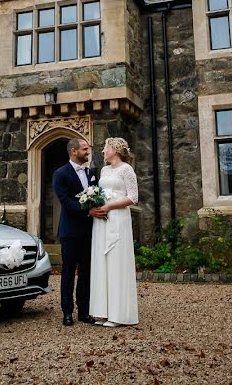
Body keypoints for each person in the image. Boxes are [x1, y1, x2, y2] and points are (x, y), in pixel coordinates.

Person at [52, 138, 107, 327]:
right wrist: (88, 211)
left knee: (86, 273)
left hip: (90, 230)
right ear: (73, 151)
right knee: (68, 273)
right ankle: (67, 312)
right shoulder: (60, 174)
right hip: (70, 231)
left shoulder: (91, 172)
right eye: (85, 149)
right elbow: (66, 202)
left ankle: (84, 311)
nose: (88, 152)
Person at [89, 137, 139, 327]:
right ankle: (103, 311)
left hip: (118, 218)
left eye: (106, 148)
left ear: (115, 150)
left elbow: (133, 197)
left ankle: (119, 314)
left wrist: (110, 206)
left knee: (117, 262)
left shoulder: (127, 169)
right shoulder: (104, 170)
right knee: (103, 263)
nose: (103, 151)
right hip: (102, 220)